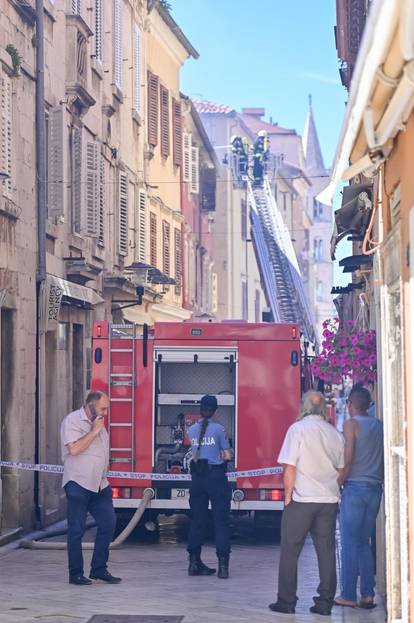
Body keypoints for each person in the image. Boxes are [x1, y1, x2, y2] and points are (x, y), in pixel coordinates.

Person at [268, 391, 345, 616]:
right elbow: (341, 470)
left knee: (290, 550)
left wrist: (288, 496)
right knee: (327, 551)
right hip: (328, 500)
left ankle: (286, 601)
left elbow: (289, 467)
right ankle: (324, 603)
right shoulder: (335, 434)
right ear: (324, 409)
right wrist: (330, 487)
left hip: (302, 499)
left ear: (303, 406)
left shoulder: (297, 430)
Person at [60, 390, 121, 586]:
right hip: (78, 482)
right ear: (90, 405)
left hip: (99, 485)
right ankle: (75, 574)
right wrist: (94, 431)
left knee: (109, 523)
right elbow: (74, 449)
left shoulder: (100, 424)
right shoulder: (72, 421)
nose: (105, 412)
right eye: (103, 408)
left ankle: (99, 569)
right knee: (76, 530)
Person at [335, 386, 384, 609]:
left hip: (354, 488)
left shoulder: (351, 425)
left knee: (349, 543)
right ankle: (367, 594)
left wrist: (338, 482)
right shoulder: (379, 426)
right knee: (364, 542)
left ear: (350, 405)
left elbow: (349, 457)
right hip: (375, 488)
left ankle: (347, 594)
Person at [187, 394, 232, 579]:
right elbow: (227, 455)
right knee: (220, 521)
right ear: (215, 411)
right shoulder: (219, 430)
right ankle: (223, 566)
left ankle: (194, 563)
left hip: (197, 478)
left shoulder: (191, 430)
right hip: (216, 477)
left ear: (200, 409)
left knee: (197, 520)